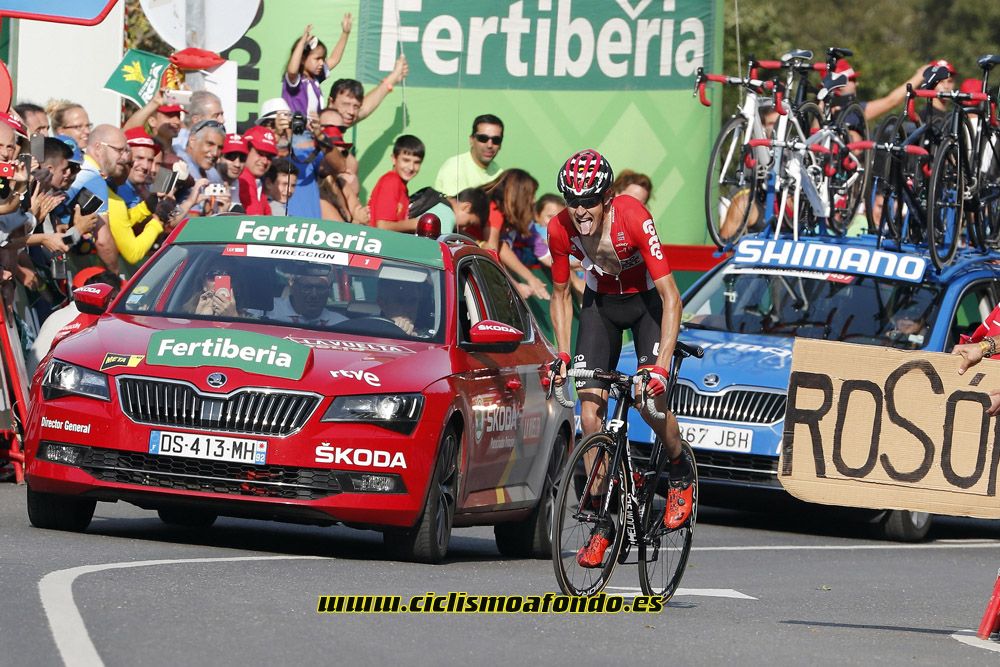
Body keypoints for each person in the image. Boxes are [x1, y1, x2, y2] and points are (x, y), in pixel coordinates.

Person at [548, 149, 691, 567]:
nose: (580, 210)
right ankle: (603, 523)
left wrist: (661, 366)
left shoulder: (632, 215)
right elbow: (559, 296)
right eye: (572, 201)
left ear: (606, 197)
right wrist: (562, 354)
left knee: (648, 400)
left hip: (646, 303)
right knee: (590, 415)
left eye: (588, 200)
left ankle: (680, 470)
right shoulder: (559, 229)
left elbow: (671, 297)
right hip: (601, 306)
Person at [283, 17, 353, 118]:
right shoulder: (295, 80)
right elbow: (292, 71)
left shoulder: (315, 78)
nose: (321, 63)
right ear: (302, 58)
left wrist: (345, 33)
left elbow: (334, 59)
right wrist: (302, 43)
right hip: (296, 132)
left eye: (323, 59)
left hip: (313, 131)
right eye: (317, 58)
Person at [434, 114, 504, 195]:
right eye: (483, 138)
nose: (489, 145)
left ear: (500, 145)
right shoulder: (455, 167)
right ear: (471, 140)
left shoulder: (499, 174)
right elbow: (455, 206)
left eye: (496, 140)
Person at [370, 134, 424, 231]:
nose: (411, 167)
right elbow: (382, 226)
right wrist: (415, 224)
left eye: (416, 162)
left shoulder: (401, 186)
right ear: (394, 159)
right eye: (406, 160)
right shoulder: (391, 181)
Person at [265, 267, 346, 326]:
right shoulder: (267, 310)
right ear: (293, 288)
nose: (314, 295)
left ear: (329, 291)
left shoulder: (341, 323)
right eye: (307, 287)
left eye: (320, 288)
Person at [238, 126, 278, 214]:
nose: (265, 161)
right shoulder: (244, 178)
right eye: (260, 153)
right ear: (246, 150)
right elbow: (255, 222)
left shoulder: (257, 182)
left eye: (269, 157)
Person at [172, 90, 225, 154]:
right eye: (216, 116)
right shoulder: (178, 147)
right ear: (196, 120)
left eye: (222, 114)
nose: (222, 121)